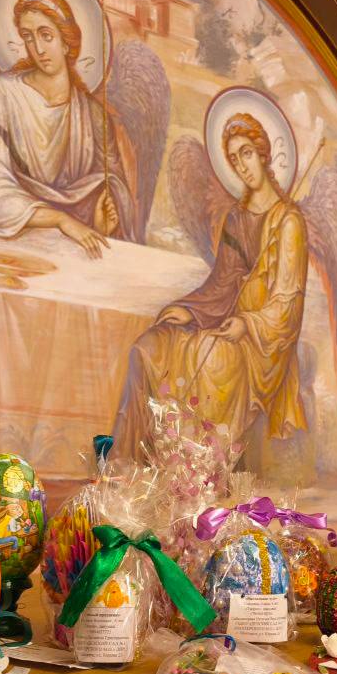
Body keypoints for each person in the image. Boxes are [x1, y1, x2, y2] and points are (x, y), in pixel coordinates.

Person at [112, 112, 308, 453]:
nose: (242, 166)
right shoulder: (236, 217)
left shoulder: (288, 222)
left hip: (264, 342)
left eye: (247, 153)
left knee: (214, 359)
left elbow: (288, 304)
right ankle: (140, 461)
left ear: (263, 154)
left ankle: (200, 466)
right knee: (150, 345)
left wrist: (247, 324)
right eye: (234, 159)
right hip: (223, 318)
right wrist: (191, 311)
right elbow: (222, 282)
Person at [0, 0, 136, 258]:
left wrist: (101, 219)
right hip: (3, 242)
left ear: (67, 41)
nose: (37, 48)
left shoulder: (94, 117)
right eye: (28, 36)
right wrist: (59, 219)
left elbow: (111, 191)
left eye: (46, 35)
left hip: (72, 249)